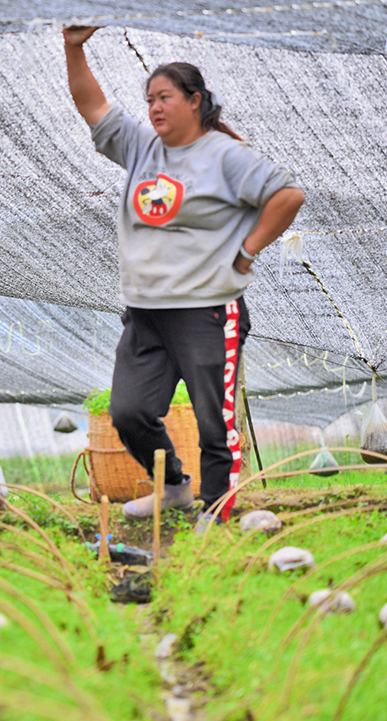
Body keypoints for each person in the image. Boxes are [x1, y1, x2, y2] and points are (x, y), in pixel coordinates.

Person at [63, 27, 305, 527]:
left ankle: (217, 513)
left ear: (194, 102)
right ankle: (174, 487)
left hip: (206, 312)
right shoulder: (139, 148)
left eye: (164, 97)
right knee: (129, 411)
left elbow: (288, 196)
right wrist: (74, 48)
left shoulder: (225, 156)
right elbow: (91, 106)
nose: (154, 107)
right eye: (149, 99)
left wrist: (246, 249)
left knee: (214, 421)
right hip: (146, 313)